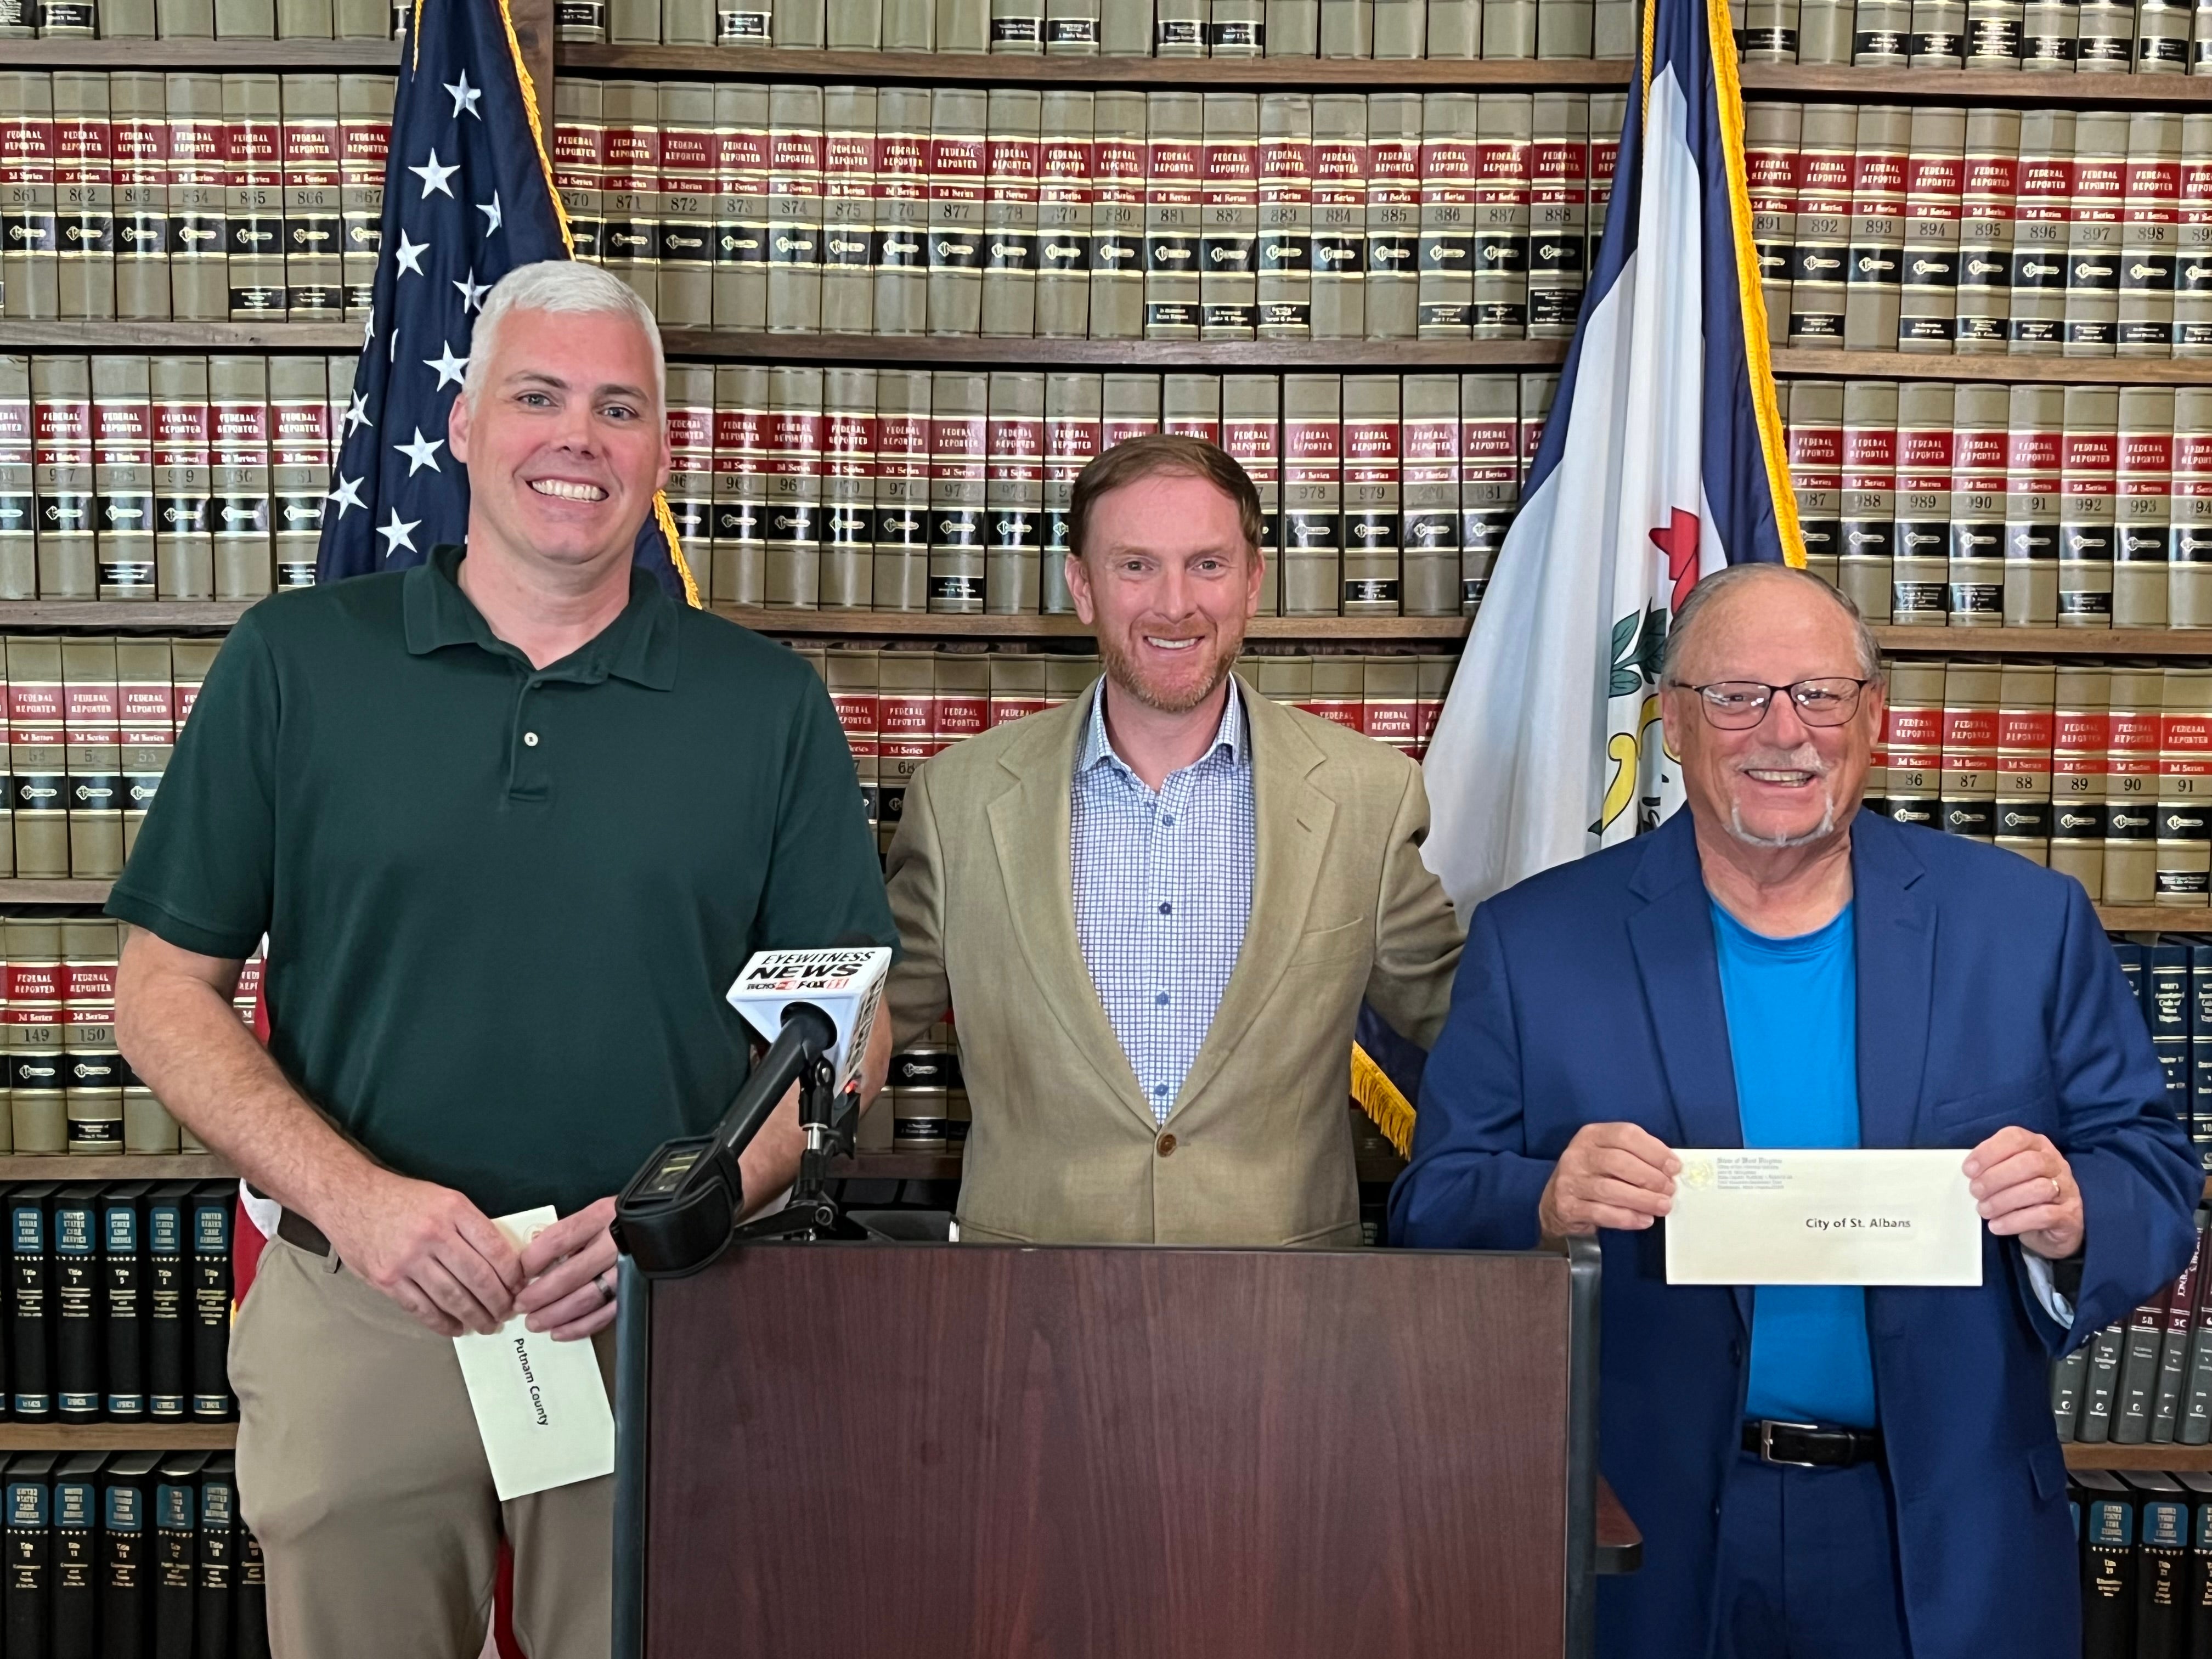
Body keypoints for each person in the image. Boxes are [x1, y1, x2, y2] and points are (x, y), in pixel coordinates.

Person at [109, 260, 895, 1659]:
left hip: (655, 1309)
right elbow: (160, 993)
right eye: (537, 396)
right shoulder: (294, 663)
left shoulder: (766, 704)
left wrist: (691, 1208)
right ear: (463, 423)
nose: (575, 439)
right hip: (366, 1304)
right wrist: (359, 1204)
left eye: (617, 408)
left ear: (662, 450)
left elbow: (844, 1033)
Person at [1392, 561, 2200, 1659]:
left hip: (1940, 1537)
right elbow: (1432, 1202)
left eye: (1820, 694)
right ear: (1673, 723)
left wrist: (2077, 1212)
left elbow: (2152, 1172)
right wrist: (1544, 1195)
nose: (1785, 732)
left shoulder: (2025, 924)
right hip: (1646, 1530)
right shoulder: (1535, 943)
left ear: (1874, 717)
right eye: (1736, 697)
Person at [885, 434, 1463, 1245]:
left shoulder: (1367, 796)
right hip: (1025, 1317)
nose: (1174, 604)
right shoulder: (959, 800)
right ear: (1082, 587)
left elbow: (1469, 1019)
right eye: (1135, 566)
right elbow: (861, 1027)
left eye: (1208, 564)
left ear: (1254, 581)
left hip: (1285, 1313)